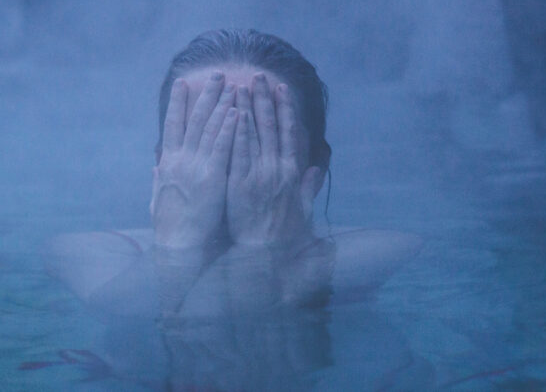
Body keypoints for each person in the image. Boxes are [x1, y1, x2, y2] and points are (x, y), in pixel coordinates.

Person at [46, 29, 421, 319]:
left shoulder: (376, 252)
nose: (227, 157)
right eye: (202, 133)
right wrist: (181, 243)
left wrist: (263, 247)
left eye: (258, 135)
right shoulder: (94, 252)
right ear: (163, 163)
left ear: (316, 170)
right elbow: (130, 321)